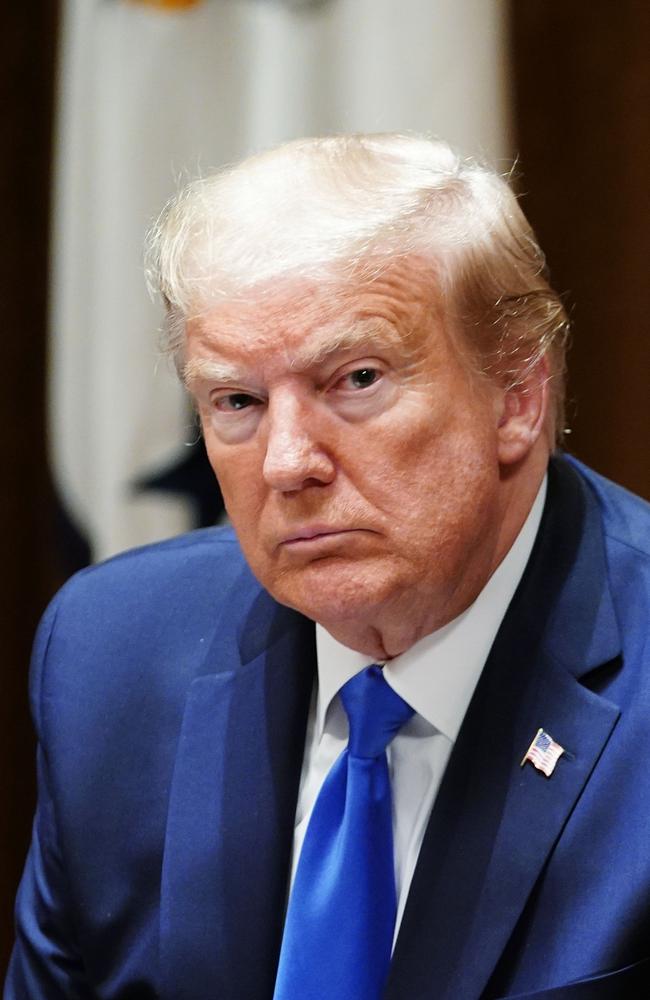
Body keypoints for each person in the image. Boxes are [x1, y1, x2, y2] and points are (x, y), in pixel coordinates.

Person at [5, 134, 650, 1000]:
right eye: (237, 401)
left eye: (355, 380)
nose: (286, 463)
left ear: (517, 398)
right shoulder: (110, 657)